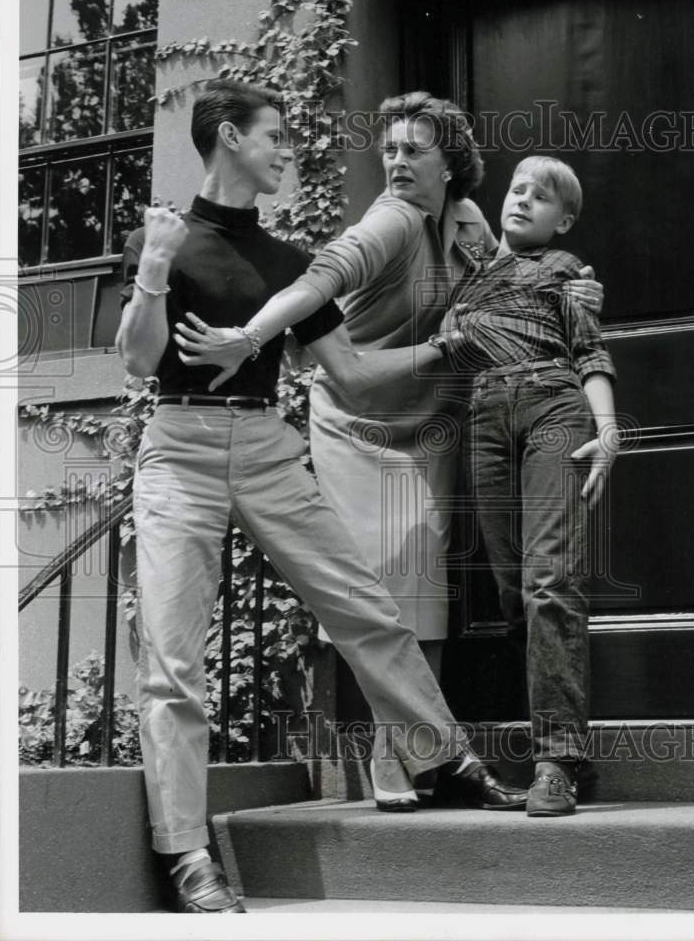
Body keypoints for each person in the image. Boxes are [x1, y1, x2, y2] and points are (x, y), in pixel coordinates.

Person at [116, 79, 529, 915]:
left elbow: (349, 373)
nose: (287, 151)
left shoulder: (286, 262)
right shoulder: (161, 240)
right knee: (173, 661)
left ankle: (443, 756)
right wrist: (153, 273)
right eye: (274, 137)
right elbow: (137, 360)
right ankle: (188, 853)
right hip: (180, 449)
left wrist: (451, 346)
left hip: (268, 445)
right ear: (230, 137)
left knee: (366, 606)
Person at [175, 91, 604, 808]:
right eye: (392, 150)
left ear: (451, 161)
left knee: (423, 595)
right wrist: (249, 337)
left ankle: (409, 751)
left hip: (429, 421)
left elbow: (515, 284)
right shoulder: (390, 221)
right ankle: (390, 758)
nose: (398, 162)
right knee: (383, 594)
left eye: (414, 150)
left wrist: (575, 287)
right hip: (358, 423)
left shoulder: (468, 222)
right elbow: (317, 281)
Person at [443, 155, 618, 816]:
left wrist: (607, 429)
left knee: (551, 580)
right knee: (515, 590)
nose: (521, 201)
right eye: (515, 190)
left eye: (539, 198)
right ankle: (574, 752)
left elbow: (591, 353)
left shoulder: (566, 273)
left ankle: (554, 763)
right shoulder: (471, 274)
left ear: (562, 220)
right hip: (486, 422)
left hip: (552, 407)